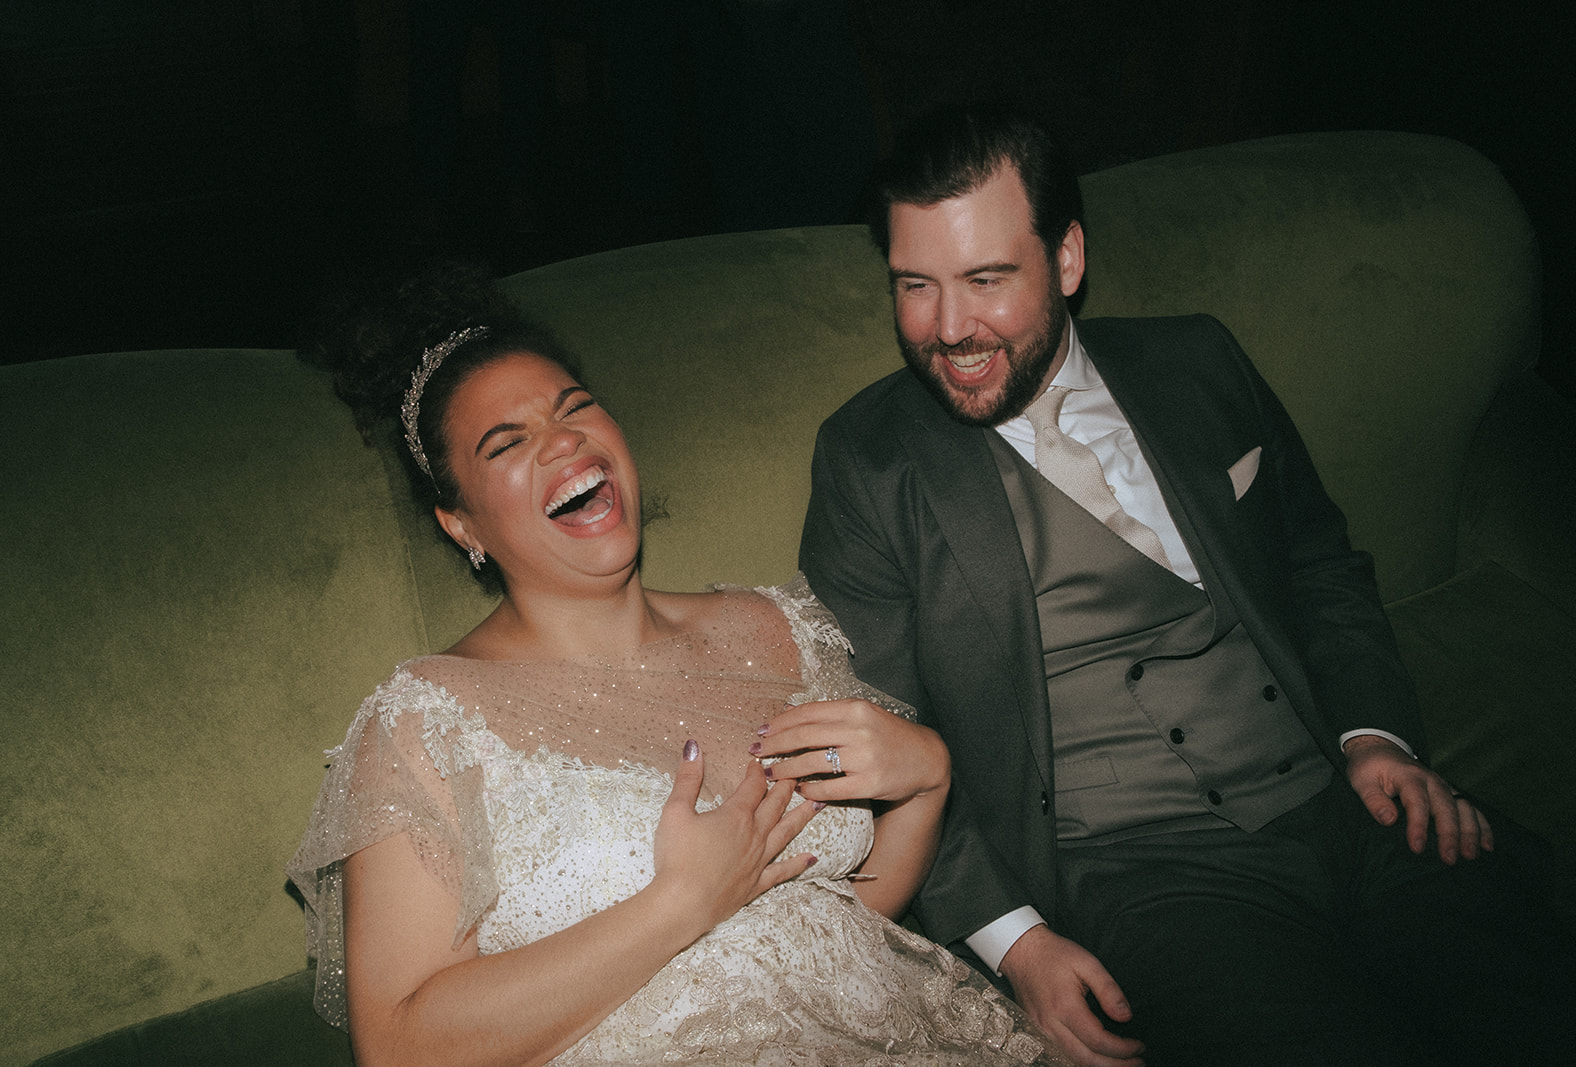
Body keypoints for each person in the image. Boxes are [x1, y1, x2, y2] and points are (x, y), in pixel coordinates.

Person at [799, 104, 1571, 1067]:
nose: (949, 328)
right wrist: (1017, 939)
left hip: (1346, 800)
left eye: (986, 279)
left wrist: (1375, 738)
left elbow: (1320, 562)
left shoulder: (1198, 361)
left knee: (1522, 1002)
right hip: (1141, 875)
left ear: (1067, 259)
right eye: (915, 285)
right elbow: (875, 724)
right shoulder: (869, 458)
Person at [286, 264, 1066, 1066]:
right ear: (462, 526)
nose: (562, 441)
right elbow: (398, 1042)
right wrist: (680, 903)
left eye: (574, 406)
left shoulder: (783, 626)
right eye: (508, 443)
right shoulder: (420, 722)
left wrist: (925, 783)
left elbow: (841, 930)